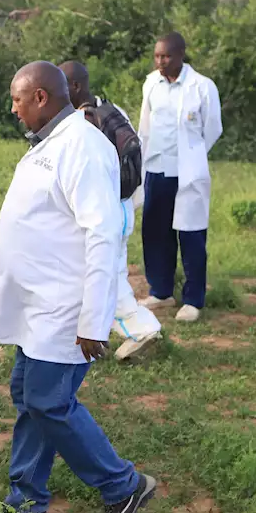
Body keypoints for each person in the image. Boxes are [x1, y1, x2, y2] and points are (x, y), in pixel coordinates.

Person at [0, 61, 157, 513]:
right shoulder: (48, 143)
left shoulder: (84, 146)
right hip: (37, 303)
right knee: (28, 396)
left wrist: (95, 319)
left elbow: (103, 236)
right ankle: (26, 504)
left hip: (66, 305)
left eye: (17, 99)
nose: (12, 109)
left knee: (49, 401)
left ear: (40, 98)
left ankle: (124, 485)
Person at [59, 60, 161, 360]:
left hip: (104, 211)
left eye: (61, 86)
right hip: (123, 205)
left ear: (75, 87)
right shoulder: (111, 109)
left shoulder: (83, 122)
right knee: (108, 273)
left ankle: (142, 330)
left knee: (105, 278)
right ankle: (93, 336)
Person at [136, 32, 222, 323]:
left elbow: (212, 129)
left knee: (191, 235)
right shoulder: (151, 83)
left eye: (167, 56)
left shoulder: (202, 87)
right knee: (155, 232)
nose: (161, 62)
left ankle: (193, 299)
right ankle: (161, 291)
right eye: (157, 56)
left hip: (187, 172)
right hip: (156, 167)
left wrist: (193, 155)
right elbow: (144, 126)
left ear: (181, 54)